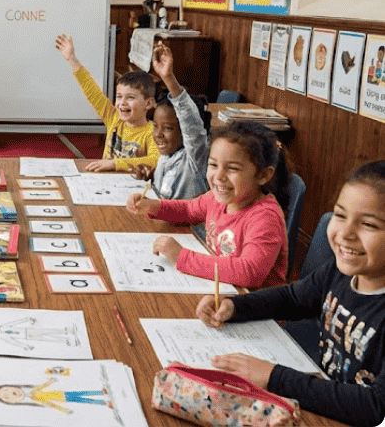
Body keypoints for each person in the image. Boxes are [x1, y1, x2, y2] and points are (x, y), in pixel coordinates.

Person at [195, 160, 385, 427]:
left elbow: (374, 406)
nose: (345, 233)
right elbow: (293, 298)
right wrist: (235, 306)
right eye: (340, 215)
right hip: (324, 401)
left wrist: (273, 377)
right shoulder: (340, 273)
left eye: (368, 224)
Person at [127, 120, 291, 288]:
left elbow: (248, 272)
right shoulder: (217, 198)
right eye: (213, 165)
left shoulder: (265, 218)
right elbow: (189, 210)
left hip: (254, 306)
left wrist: (181, 257)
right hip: (221, 290)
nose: (219, 176)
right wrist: (155, 206)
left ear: (263, 175)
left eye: (232, 168)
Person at [55, 33, 159, 172]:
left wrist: (114, 164)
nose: (122, 103)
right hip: (105, 182)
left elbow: (155, 160)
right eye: (119, 96)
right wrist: (72, 59)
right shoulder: (114, 119)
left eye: (130, 97)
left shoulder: (152, 131)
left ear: (148, 103)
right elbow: (92, 92)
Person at [131, 41, 210, 200]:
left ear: (184, 132)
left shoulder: (195, 158)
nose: (158, 134)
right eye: (155, 126)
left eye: (167, 128)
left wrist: (168, 77)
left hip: (185, 225)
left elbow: (189, 121)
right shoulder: (167, 155)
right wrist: (151, 177)